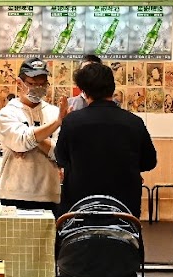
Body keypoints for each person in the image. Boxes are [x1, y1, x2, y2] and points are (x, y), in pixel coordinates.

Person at [55, 62, 157, 217]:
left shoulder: (72, 121)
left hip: (79, 209)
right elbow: (149, 162)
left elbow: (61, 158)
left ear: (84, 91)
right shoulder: (134, 122)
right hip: (124, 209)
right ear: (112, 87)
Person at [0, 57, 67, 215]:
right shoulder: (7, 113)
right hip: (14, 193)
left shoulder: (54, 112)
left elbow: (59, 153)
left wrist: (30, 134)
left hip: (49, 194)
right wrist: (55, 125)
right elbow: (21, 142)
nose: (38, 88)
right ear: (19, 83)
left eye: (42, 84)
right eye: (32, 84)